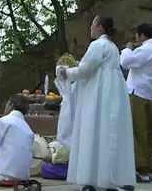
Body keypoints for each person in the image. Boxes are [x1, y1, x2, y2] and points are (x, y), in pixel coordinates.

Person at [57, 16, 136, 191]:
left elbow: (86, 69)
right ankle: (110, 178)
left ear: (100, 27)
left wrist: (66, 72)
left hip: (99, 93)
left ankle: (91, 179)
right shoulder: (113, 47)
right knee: (110, 133)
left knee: (94, 131)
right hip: (114, 92)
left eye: (92, 25)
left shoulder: (97, 45)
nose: (90, 29)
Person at [120, 23, 152, 183]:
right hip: (151, 96)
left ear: (142, 36)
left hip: (138, 94)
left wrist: (127, 49)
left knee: (138, 133)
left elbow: (126, 62)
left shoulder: (145, 50)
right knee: (149, 134)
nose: (136, 40)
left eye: (137, 36)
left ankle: (141, 169)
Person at [40, 71, 77, 180]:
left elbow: (72, 146)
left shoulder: (73, 105)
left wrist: (53, 158)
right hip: (70, 158)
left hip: (76, 160)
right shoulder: (68, 102)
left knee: (46, 168)